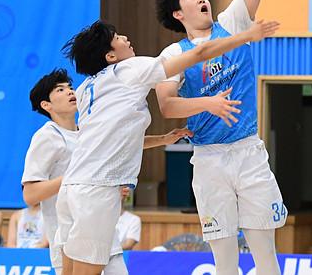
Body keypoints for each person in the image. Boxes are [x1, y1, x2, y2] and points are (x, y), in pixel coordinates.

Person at [56, 18, 278, 275]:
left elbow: (110, 140)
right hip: (96, 189)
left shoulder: (86, 88)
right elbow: (199, 53)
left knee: (68, 271)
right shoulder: (129, 69)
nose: (125, 38)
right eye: (117, 38)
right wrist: (246, 36)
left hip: (71, 189)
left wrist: (162, 139)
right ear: (110, 56)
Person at [154, 0, 286, 275]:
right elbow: (167, 106)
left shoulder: (232, 24)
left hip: (248, 152)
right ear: (177, 13)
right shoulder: (173, 54)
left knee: (265, 254)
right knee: (225, 262)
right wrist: (207, 103)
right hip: (209, 160)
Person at [22, 69, 198, 273]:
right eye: (60, 90)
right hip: (68, 235)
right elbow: (30, 195)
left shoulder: (86, 128)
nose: (70, 91)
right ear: (46, 105)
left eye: (70, 87)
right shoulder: (47, 136)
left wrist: (164, 139)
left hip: (102, 226)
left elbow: (120, 143)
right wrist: (79, 179)